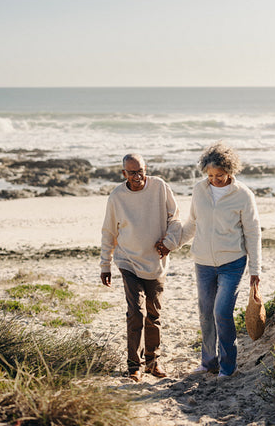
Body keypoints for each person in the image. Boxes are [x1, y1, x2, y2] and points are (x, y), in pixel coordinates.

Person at [179, 141, 262, 379]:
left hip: (232, 263)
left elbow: (253, 233)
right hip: (203, 262)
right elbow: (193, 224)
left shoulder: (243, 195)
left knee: (221, 312)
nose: (215, 180)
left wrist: (256, 269)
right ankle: (209, 362)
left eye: (221, 175)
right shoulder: (199, 189)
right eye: (211, 175)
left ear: (231, 171)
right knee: (206, 313)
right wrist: (170, 244)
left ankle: (228, 366)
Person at [100, 153, 182, 383]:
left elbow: (175, 219)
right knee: (136, 313)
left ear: (146, 169)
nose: (138, 177)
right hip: (128, 261)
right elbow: (109, 232)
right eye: (132, 172)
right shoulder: (117, 196)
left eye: (141, 171)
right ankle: (133, 366)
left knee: (154, 314)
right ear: (123, 173)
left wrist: (169, 243)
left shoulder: (160, 187)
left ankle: (152, 362)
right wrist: (105, 264)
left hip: (155, 261)